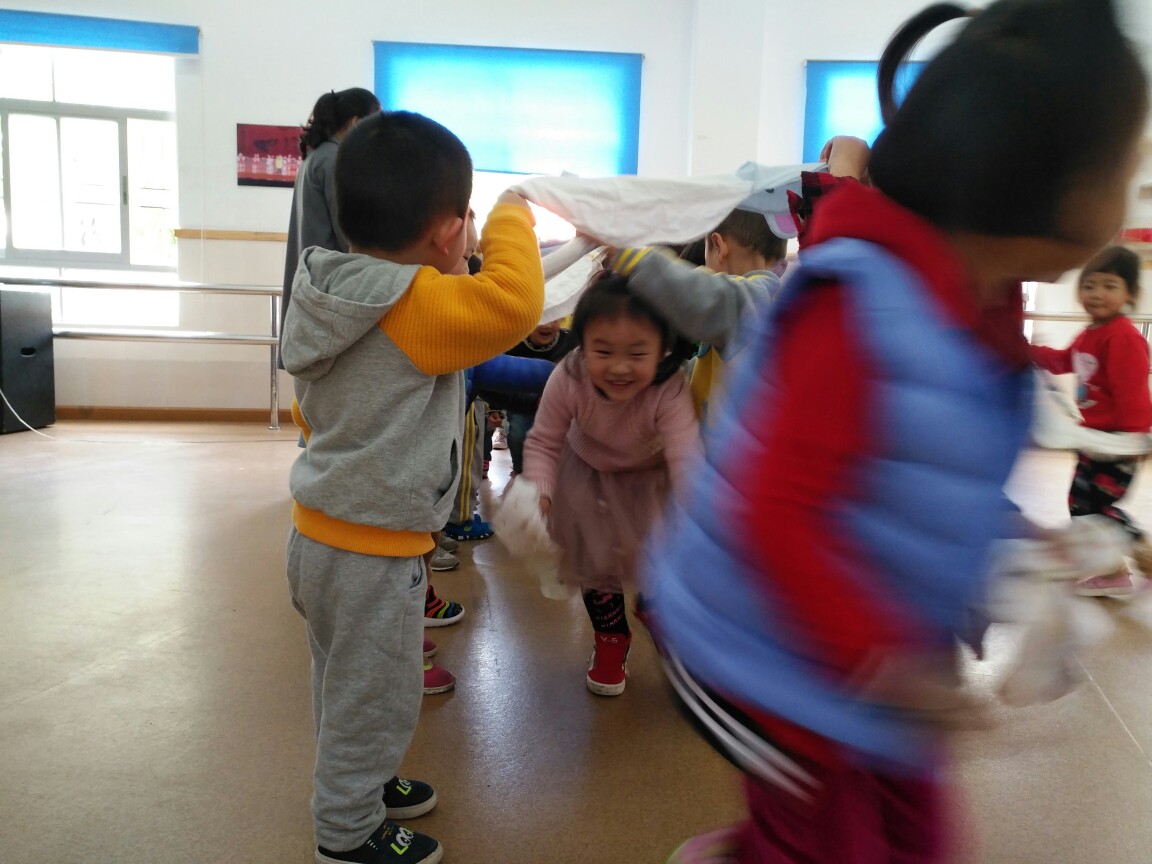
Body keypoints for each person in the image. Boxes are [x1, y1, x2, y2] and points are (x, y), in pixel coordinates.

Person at [650, 2, 1148, 862]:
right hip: (755, 652)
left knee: (920, 837)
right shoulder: (857, 303)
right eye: (1126, 162)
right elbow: (776, 513)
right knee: (830, 844)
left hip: (862, 652)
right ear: (1045, 183)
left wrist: (1031, 544)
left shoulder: (983, 305)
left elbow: (934, 477)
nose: (1134, 184)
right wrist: (878, 658)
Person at [281, 109, 544, 864]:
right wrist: (514, 210)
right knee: (377, 693)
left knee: (345, 680)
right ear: (446, 232)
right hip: (370, 551)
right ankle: (347, 830)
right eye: (469, 222)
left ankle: (361, 782)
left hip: (317, 533)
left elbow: (313, 410)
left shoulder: (332, 287)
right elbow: (514, 302)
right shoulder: (415, 303)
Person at [522, 272, 699, 695]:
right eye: (603, 351)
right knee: (595, 562)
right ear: (581, 343)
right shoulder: (569, 375)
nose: (619, 367)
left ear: (664, 347)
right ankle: (611, 638)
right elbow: (544, 441)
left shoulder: (670, 387)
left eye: (637, 353)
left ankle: (657, 608)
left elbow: (687, 457)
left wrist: (697, 516)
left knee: (657, 558)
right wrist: (540, 492)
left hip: (647, 480)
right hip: (586, 474)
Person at [1030, 245, 1152, 597]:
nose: (1097, 294)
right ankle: (1112, 572)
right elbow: (1063, 361)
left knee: (1096, 509)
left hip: (1118, 444)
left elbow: (1133, 396)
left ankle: (1141, 553)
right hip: (1093, 440)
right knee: (1080, 506)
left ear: (1130, 294)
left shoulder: (1123, 338)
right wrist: (1027, 351)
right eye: (1089, 285)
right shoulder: (1090, 334)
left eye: (1109, 286)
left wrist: (1133, 442)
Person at [281, 87, 381, 334]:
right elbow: (349, 235)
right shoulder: (336, 159)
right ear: (356, 122)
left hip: (312, 282)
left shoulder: (316, 157)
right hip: (329, 287)